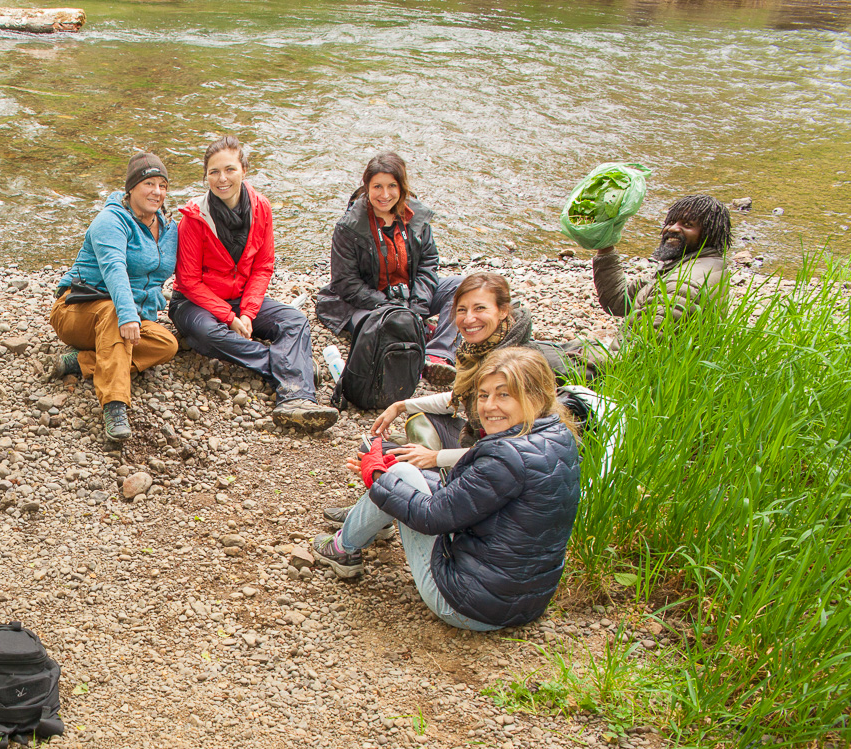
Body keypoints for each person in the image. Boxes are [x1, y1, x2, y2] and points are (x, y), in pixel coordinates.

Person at [311, 347, 580, 631]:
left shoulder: (506, 456)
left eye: (504, 395)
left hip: (469, 607)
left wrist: (377, 474)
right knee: (405, 475)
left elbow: (432, 518)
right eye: (484, 395)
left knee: (399, 474)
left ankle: (344, 548)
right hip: (524, 601)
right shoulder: (557, 434)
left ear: (536, 397)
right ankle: (376, 522)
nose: (489, 406)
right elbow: (466, 496)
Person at [169, 136, 340, 432]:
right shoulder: (194, 218)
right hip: (195, 302)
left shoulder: (261, 208)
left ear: (244, 169)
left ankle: (295, 399)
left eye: (230, 169)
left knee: (295, 320)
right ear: (206, 175)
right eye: (214, 172)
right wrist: (229, 317)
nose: (222, 179)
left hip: (241, 299)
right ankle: (292, 373)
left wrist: (246, 313)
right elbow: (189, 281)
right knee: (205, 333)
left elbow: (263, 266)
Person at [48, 151, 180, 444]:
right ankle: (115, 406)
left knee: (167, 344)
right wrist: (129, 314)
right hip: (76, 309)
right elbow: (114, 270)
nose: (157, 192)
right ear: (131, 188)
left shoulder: (169, 228)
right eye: (149, 184)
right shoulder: (110, 220)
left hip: (125, 315)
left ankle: (83, 362)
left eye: (162, 185)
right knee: (113, 314)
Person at [348, 272, 536, 476]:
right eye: (462, 310)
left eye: (480, 308)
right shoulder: (479, 350)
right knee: (375, 451)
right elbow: (463, 399)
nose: (469, 318)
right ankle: (417, 467)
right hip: (479, 441)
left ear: (503, 311)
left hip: (501, 467)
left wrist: (435, 457)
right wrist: (400, 406)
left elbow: (506, 450)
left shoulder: (516, 364)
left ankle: (429, 477)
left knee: (384, 465)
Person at [315, 152, 461, 386]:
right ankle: (415, 333)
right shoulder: (349, 227)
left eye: (392, 186)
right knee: (382, 326)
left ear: (402, 187)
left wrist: (418, 305)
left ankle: (438, 355)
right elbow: (345, 283)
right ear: (367, 187)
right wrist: (391, 307)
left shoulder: (417, 218)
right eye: (377, 187)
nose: (384, 195)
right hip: (367, 301)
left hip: (410, 294)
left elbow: (428, 263)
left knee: (462, 288)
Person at [589, 193, 731, 350]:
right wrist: (605, 246)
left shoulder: (680, 285)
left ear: (710, 234)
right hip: (629, 357)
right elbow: (618, 302)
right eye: (670, 222)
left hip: (620, 367)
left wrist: (583, 357)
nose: (672, 228)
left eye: (687, 224)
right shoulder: (695, 265)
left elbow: (641, 354)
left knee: (558, 357)